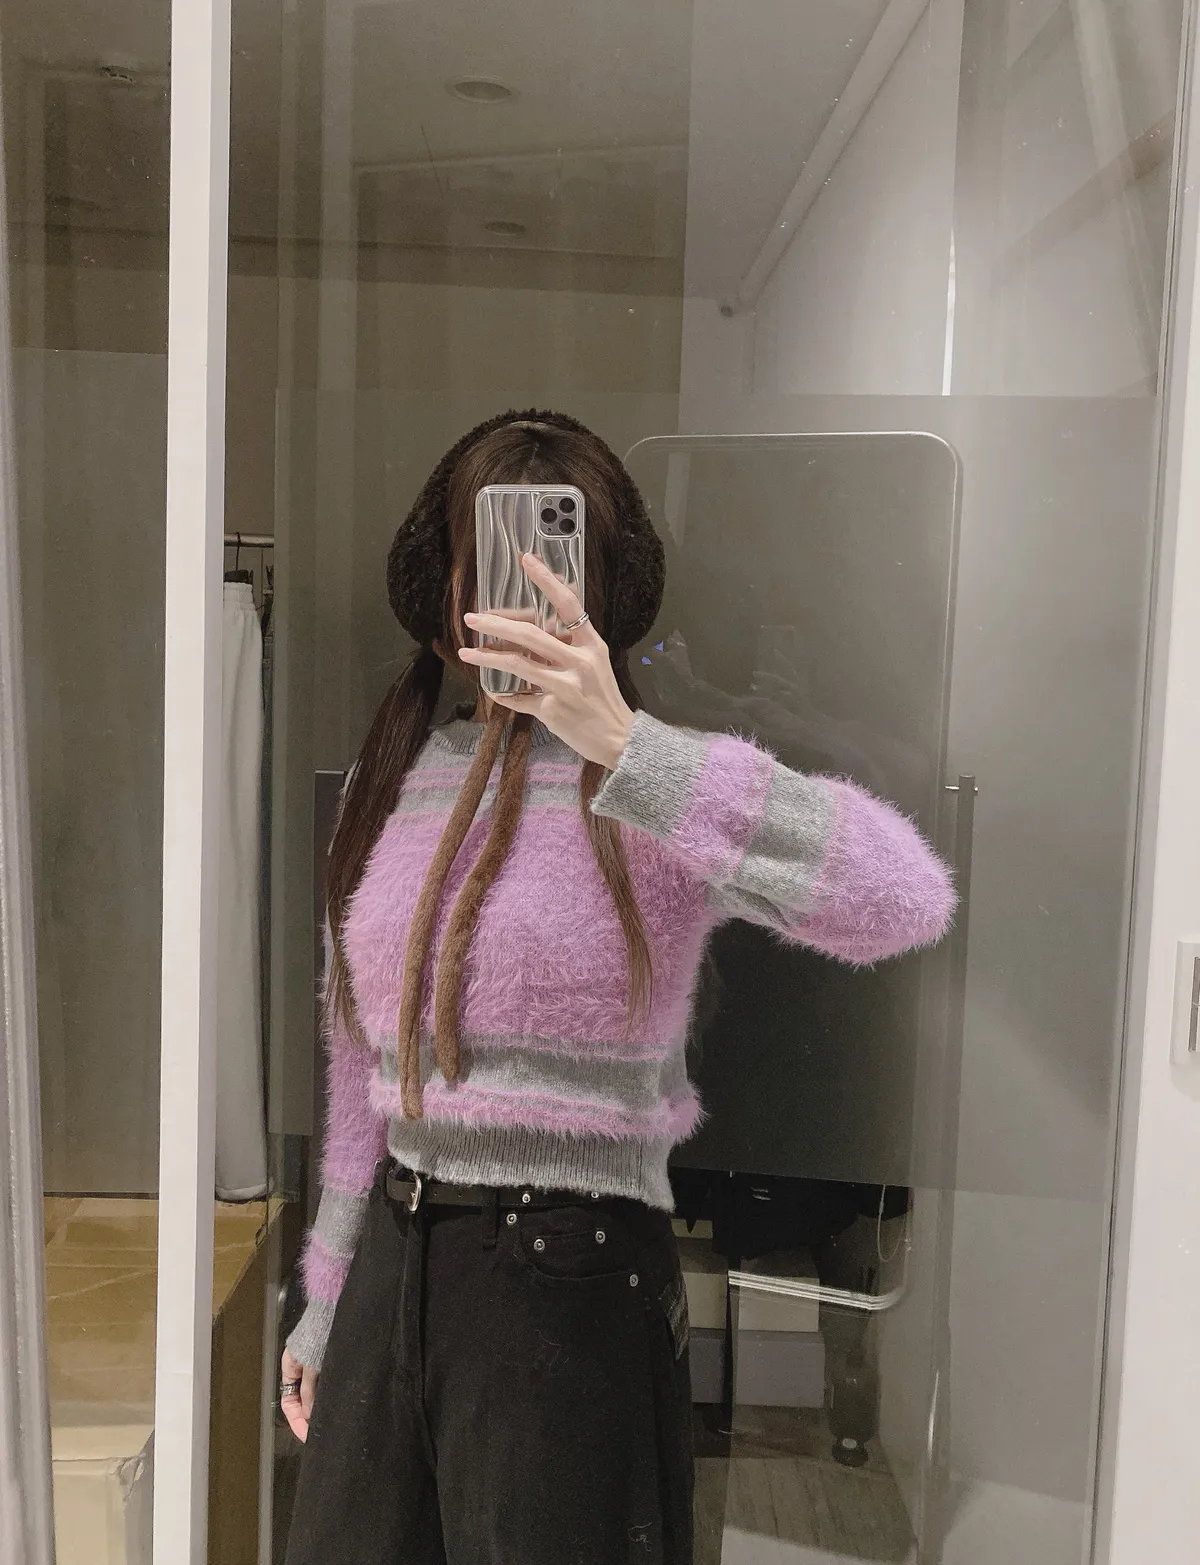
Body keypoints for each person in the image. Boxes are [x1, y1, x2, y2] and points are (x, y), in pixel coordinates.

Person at [280, 409, 955, 1565]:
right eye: (493, 560)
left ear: (602, 593)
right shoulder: (390, 783)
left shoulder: (657, 788)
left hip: (570, 1272)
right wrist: (330, 1287)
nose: (525, 594)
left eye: (554, 564)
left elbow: (904, 896)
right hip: (399, 1251)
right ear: (446, 589)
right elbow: (360, 1059)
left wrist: (633, 746)